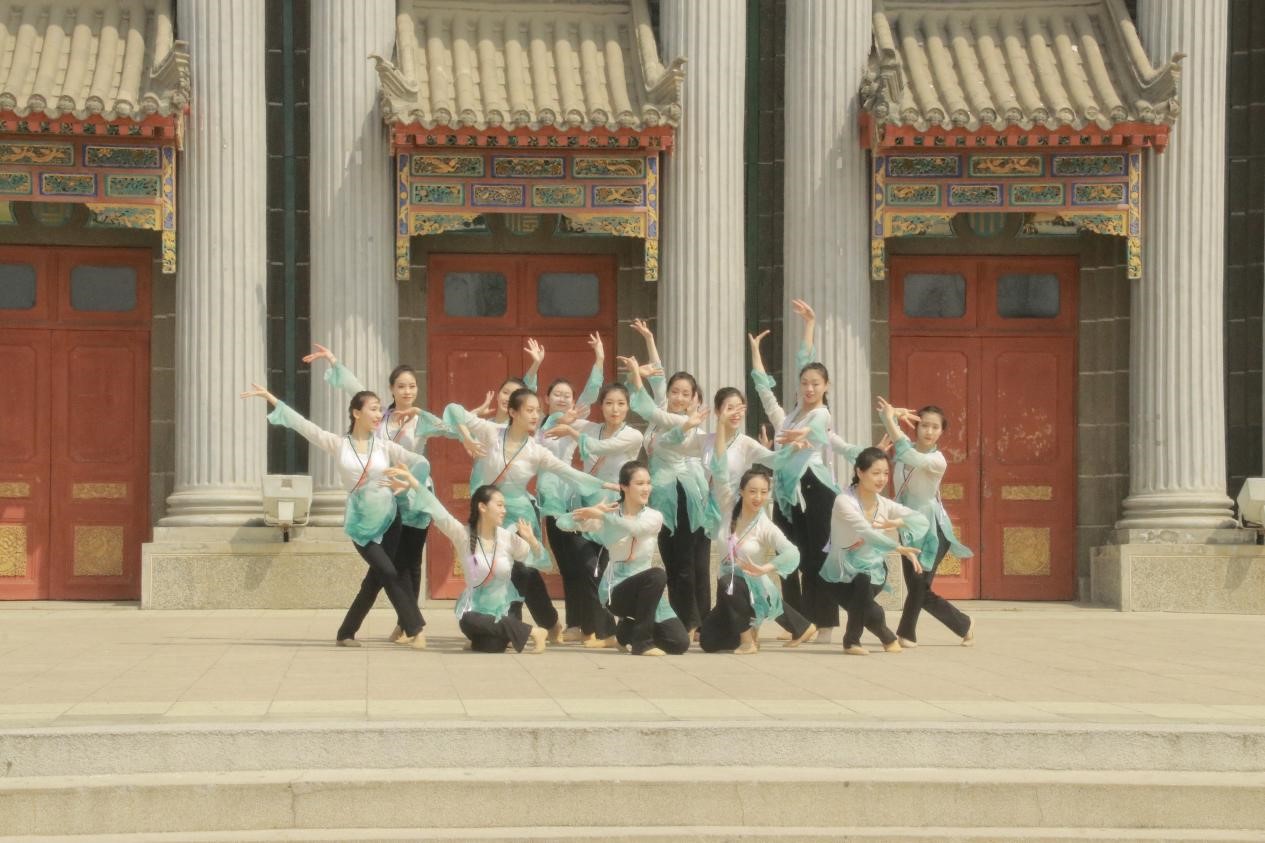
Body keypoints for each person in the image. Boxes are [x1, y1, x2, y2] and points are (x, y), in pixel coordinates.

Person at [239, 383, 429, 648]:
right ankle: (416, 627)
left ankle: (346, 632)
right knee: (387, 570)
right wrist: (271, 398)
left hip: (390, 519)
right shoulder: (339, 445)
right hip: (360, 523)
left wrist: (406, 484)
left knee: (376, 578)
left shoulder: (384, 447)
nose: (379, 415)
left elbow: (421, 463)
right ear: (356, 413)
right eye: (373, 409)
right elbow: (305, 426)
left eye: (380, 410)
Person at [302, 344, 450, 642]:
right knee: (387, 568)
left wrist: (432, 416)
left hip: (412, 499)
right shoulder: (378, 418)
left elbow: (449, 429)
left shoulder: (420, 420)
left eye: (412, 386)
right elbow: (355, 390)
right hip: (380, 503)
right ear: (391, 389)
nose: (407, 391)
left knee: (408, 564)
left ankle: (404, 625)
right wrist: (334, 361)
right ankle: (406, 625)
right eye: (401, 386)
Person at [444, 387, 616, 641]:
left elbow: (569, 473)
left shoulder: (536, 451)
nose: (536, 415)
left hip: (519, 515)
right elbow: (453, 410)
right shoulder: (491, 432)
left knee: (520, 568)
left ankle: (511, 623)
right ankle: (548, 622)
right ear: (513, 412)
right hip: (491, 512)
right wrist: (467, 437)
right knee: (517, 570)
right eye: (530, 410)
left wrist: (607, 485)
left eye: (538, 410)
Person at [749, 299, 841, 639]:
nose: (809, 388)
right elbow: (765, 393)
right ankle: (799, 624)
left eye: (816, 383)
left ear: (825, 386)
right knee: (786, 557)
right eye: (805, 382)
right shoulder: (787, 418)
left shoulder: (821, 414)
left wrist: (810, 326)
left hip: (815, 490)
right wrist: (755, 353)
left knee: (817, 558)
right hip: (787, 494)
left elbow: (815, 427)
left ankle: (825, 623)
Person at [619, 333, 716, 640]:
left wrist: (636, 377)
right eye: (675, 391)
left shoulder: (684, 423)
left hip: (681, 495)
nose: (678, 397)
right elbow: (659, 376)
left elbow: (669, 435)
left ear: (694, 397)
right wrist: (649, 339)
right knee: (678, 559)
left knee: (687, 561)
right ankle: (695, 619)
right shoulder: (664, 409)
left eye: (686, 394)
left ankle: (693, 621)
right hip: (662, 495)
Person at [543, 381, 644, 647]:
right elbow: (554, 421)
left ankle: (606, 631)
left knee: (597, 566)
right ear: (601, 406)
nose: (615, 409)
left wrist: (571, 430)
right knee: (578, 565)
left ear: (628, 407)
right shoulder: (590, 428)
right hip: (586, 504)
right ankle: (581, 625)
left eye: (621, 404)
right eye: (609, 403)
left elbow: (600, 448)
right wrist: (563, 412)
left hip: (613, 508)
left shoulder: (633, 435)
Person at [876, 397, 975, 648]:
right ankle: (963, 624)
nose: (929, 431)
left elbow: (908, 454)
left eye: (935, 427)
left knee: (919, 584)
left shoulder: (937, 460)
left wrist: (890, 420)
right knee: (918, 586)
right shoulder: (904, 449)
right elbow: (896, 437)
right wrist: (891, 415)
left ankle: (906, 634)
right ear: (916, 426)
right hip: (909, 528)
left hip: (933, 529)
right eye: (924, 425)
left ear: (941, 432)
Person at [565, 461, 690, 656]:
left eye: (648, 483)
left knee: (679, 643)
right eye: (639, 483)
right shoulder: (609, 513)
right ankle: (642, 643)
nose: (646, 488)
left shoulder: (654, 516)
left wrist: (604, 517)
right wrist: (588, 514)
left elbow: (635, 528)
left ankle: (626, 632)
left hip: (648, 590)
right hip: (616, 590)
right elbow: (563, 523)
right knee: (657, 575)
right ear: (623, 486)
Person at [698, 464, 816, 654]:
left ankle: (748, 641)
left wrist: (765, 568)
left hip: (751, 588)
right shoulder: (728, 507)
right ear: (741, 491)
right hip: (727, 590)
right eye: (752, 491)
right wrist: (720, 442)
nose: (758, 497)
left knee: (730, 581)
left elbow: (792, 552)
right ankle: (796, 627)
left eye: (764, 492)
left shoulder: (765, 526)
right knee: (708, 643)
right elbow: (720, 472)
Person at [821, 447, 928, 655]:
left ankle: (851, 641)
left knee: (863, 582)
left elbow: (921, 520)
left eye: (886, 473)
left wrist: (896, 522)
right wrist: (898, 547)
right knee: (867, 605)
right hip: (839, 573)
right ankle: (886, 636)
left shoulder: (885, 505)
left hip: (874, 572)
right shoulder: (844, 501)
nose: (882, 479)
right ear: (860, 472)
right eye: (876, 473)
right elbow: (865, 531)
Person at [421, 484, 551, 654]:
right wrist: (414, 483)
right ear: (482, 507)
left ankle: (516, 631)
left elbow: (543, 563)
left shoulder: (507, 538)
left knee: (492, 646)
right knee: (467, 619)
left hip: (503, 613)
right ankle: (532, 632)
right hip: (475, 613)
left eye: (504, 506)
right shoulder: (464, 535)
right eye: (499, 505)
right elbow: (439, 513)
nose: (504, 510)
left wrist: (532, 540)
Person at [536, 333, 606, 643]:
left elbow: (591, 393)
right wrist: (536, 365)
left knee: (579, 561)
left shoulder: (573, 421)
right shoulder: (537, 424)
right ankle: (574, 623)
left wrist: (599, 359)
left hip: (570, 497)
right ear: (546, 398)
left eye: (567, 395)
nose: (563, 399)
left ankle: (586, 622)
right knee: (564, 563)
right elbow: (522, 393)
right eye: (557, 394)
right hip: (548, 498)